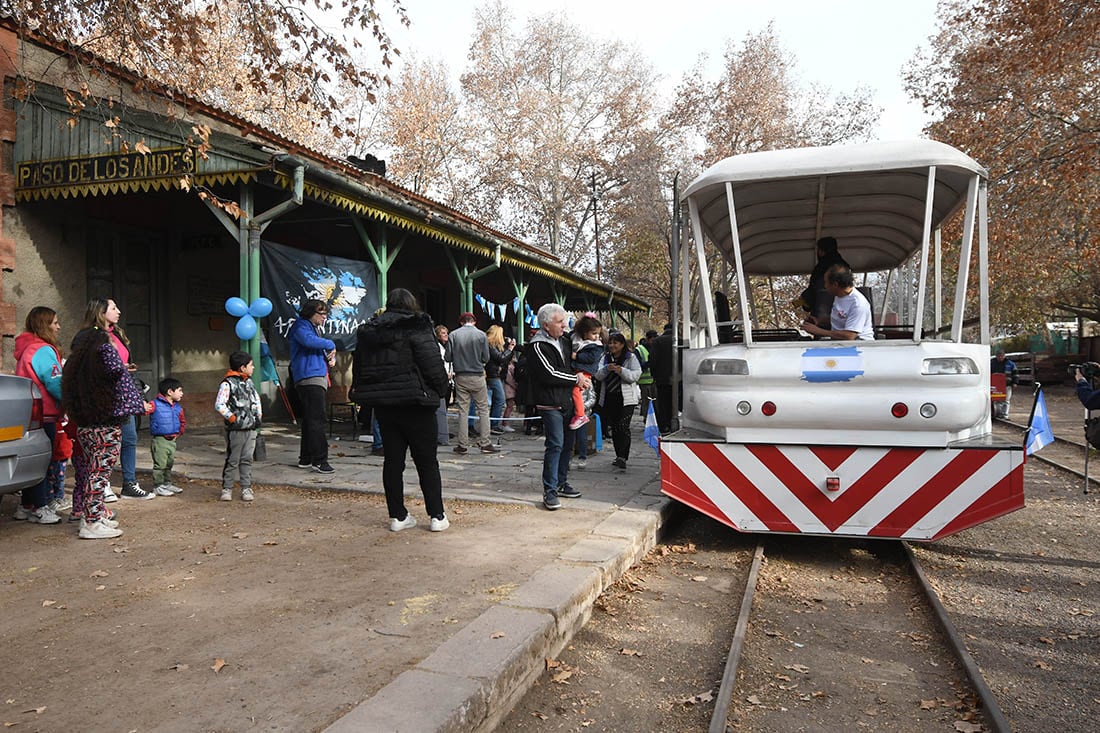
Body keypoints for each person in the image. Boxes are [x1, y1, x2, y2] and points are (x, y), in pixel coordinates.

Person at [351, 288, 451, 532]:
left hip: (385, 404)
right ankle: (436, 515)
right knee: (427, 462)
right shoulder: (418, 326)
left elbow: (360, 366)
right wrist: (441, 390)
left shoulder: (369, 332)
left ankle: (397, 515)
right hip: (417, 402)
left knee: (392, 462)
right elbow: (431, 362)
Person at [62, 327, 148, 539]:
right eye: (109, 342)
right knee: (99, 475)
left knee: (94, 472)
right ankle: (91, 523)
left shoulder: (79, 368)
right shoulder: (104, 361)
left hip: (86, 426)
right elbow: (117, 371)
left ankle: (94, 515)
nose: (112, 346)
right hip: (105, 427)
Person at [81, 297, 149, 500]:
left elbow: (118, 364)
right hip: (105, 398)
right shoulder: (91, 337)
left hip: (123, 397)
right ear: (101, 312)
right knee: (105, 443)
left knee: (129, 438)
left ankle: (129, 483)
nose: (118, 311)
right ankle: (104, 484)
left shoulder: (117, 334)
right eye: (113, 308)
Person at [528, 303, 591, 510]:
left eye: (564, 321)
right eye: (559, 322)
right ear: (546, 325)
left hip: (568, 402)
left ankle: (562, 482)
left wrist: (583, 376)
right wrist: (576, 379)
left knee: (566, 446)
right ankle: (550, 490)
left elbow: (572, 365)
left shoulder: (564, 341)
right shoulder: (537, 346)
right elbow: (549, 373)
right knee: (555, 445)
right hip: (549, 403)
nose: (564, 325)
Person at [12, 306, 65, 524]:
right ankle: (40, 506)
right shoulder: (42, 350)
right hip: (45, 413)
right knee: (43, 462)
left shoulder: (26, 348)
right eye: (54, 322)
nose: (58, 326)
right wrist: (69, 400)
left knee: (32, 460)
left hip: (30, 413)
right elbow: (54, 382)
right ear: (44, 325)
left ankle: (26, 505)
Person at [288, 299, 336, 474]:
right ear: (310, 313)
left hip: (314, 376)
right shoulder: (301, 327)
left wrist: (330, 356)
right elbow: (309, 342)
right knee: (317, 419)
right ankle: (320, 460)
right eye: (321, 314)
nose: (324, 317)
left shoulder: (312, 328)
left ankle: (306, 458)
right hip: (309, 377)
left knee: (310, 419)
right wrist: (331, 345)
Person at [447, 312, 498, 454]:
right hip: (477, 375)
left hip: (461, 375)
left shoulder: (453, 335)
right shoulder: (481, 335)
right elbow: (486, 357)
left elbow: (447, 357)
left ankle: (462, 444)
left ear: (461, 322)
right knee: (483, 409)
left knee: (463, 410)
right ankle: (485, 443)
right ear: (474, 322)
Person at [214, 351, 262, 501]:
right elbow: (219, 404)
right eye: (250, 365)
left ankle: (246, 487)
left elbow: (255, 399)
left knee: (247, 458)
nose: (253, 367)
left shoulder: (249, 382)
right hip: (236, 429)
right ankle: (227, 488)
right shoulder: (227, 384)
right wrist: (232, 418)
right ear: (242, 367)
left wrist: (258, 415)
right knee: (233, 459)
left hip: (251, 428)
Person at [595, 333, 643, 470]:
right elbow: (597, 375)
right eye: (610, 342)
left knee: (623, 426)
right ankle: (618, 455)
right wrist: (606, 369)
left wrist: (621, 370)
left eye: (615, 343)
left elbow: (635, 376)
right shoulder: (605, 358)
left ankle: (623, 456)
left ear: (622, 345)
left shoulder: (630, 358)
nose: (612, 345)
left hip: (626, 399)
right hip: (610, 397)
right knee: (615, 427)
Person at [800, 264, 875, 341]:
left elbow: (849, 336)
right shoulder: (839, 295)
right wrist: (819, 321)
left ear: (835, 285)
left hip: (859, 345)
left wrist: (818, 331)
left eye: (826, 283)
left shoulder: (858, 304)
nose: (825, 286)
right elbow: (841, 317)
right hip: (841, 342)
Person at [797, 236, 850, 324]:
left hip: (822, 317)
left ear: (821, 251)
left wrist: (801, 301)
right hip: (845, 319)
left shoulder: (820, 268)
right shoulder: (846, 268)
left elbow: (813, 291)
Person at [149, 377, 186, 496]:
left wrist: (180, 432)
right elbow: (144, 410)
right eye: (179, 390)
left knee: (169, 463)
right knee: (160, 464)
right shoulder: (155, 404)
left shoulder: (177, 407)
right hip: (160, 440)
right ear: (170, 392)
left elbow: (182, 420)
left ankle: (167, 483)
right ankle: (158, 485)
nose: (182, 393)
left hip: (172, 440)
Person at [568, 315, 603, 430]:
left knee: (576, 391)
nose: (596, 336)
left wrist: (576, 356)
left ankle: (580, 414)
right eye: (594, 333)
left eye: (598, 333)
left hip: (585, 372)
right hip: (578, 371)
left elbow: (591, 358)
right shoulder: (577, 339)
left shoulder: (596, 346)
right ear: (584, 332)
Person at [486, 325, 515, 435]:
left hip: (496, 374)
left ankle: (494, 423)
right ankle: (494, 424)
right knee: (500, 399)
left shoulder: (495, 346)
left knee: (497, 400)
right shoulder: (490, 346)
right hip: (493, 375)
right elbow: (501, 358)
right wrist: (510, 349)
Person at [648, 323, 676, 433]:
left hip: (662, 378)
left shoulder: (657, 341)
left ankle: (664, 425)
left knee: (663, 402)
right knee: (675, 401)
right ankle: (674, 422)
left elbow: (653, 360)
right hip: (678, 378)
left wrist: (654, 375)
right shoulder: (682, 341)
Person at [434, 324, 454, 446]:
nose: (446, 335)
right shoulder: (437, 347)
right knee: (440, 408)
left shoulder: (449, 346)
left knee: (446, 406)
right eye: (443, 333)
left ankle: (443, 430)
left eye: (446, 332)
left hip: (450, 378)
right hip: (443, 377)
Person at [991, 349, 1018, 418]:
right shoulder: (991, 363)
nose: (1000, 357)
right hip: (995, 385)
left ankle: (1004, 415)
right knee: (996, 400)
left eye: (1001, 356)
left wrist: (1015, 382)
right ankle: (997, 414)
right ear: (996, 356)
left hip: (1007, 385)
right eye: (999, 356)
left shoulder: (1010, 363)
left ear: (1004, 356)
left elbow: (1015, 373)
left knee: (1006, 400)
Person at [636, 330, 655, 419]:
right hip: (644, 381)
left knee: (655, 403)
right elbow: (637, 365)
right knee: (646, 402)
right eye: (652, 339)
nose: (653, 342)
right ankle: (647, 420)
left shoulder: (656, 347)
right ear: (647, 339)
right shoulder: (639, 350)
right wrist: (649, 363)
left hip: (655, 380)